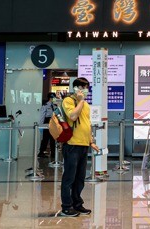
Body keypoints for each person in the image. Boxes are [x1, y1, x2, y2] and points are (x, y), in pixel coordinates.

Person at [59, 78, 93, 217]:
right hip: (72, 145)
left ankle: (77, 204)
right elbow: (73, 116)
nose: (85, 90)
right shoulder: (68, 101)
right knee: (69, 177)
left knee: (80, 178)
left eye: (86, 88)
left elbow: (87, 123)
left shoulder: (86, 105)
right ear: (76, 88)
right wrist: (80, 101)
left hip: (83, 145)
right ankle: (66, 207)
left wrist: (91, 141)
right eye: (83, 87)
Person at [37, 92, 55, 157]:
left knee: (53, 138)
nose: (55, 99)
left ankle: (53, 153)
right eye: (54, 97)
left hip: (54, 122)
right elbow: (42, 116)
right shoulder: (45, 106)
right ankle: (41, 152)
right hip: (47, 122)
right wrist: (41, 125)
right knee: (45, 138)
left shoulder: (55, 105)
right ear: (51, 98)